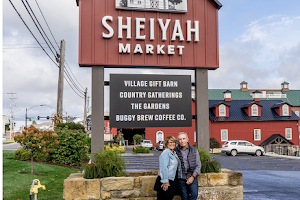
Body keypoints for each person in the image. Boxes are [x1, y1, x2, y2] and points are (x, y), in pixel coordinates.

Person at [174, 132, 201, 200]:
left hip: (192, 176)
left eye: (183, 138)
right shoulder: (175, 151)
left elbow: (198, 165)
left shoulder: (194, 150)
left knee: (194, 195)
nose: (182, 141)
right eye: (180, 139)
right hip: (181, 178)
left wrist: (192, 177)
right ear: (177, 141)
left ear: (187, 139)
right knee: (184, 198)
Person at [154, 136, 182, 200]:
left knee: (169, 198)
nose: (172, 144)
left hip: (172, 179)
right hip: (166, 180)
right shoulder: (166, 153)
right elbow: (164, 168)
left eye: (174, 142)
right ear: (166, 143)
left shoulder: (173, 153)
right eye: (170, 142)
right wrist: (165, 181)